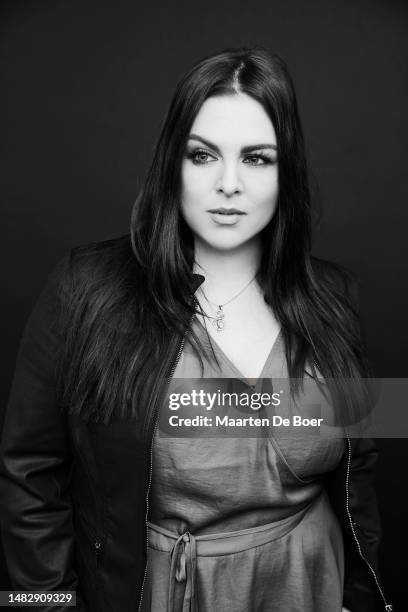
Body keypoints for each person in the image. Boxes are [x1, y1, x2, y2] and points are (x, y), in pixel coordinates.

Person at [0, 47, 393, 612]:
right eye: (203, 155)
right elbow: (26, 475)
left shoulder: (334, 295)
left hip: (310, 584)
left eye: (257, 158)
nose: (228, 183)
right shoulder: (85, 287)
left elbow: (364, 463)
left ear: (287, 172)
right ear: (172, 164)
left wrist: (366, 596)